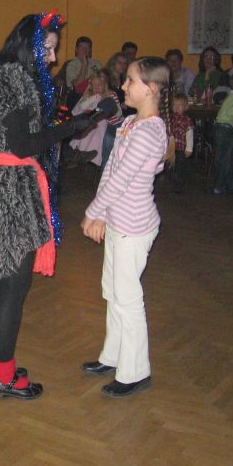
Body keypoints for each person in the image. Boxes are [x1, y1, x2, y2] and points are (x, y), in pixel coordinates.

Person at [0, 11, 111, 402]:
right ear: (30, 46)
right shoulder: (18, 81)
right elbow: (23, 146)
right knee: (12, 285)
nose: (53, 58)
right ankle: (3, 378)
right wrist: (75, 125)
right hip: (9, 193)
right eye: (49, 49)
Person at [80, 57, 169, 399]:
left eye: (131, 81)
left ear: (151, 88)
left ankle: (135, 372)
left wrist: (92, 212)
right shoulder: (132, 122)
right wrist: (102, 214)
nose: (124, 86)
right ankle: (113, 356)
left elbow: (122, 179)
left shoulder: (150, 131)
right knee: (114, 293)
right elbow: (111, 169)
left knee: (128, 299)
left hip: (134, 226)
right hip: (118, 220)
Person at [68, 70, 114, 167]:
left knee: (97, 128)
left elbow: (111, 112)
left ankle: (90, 156)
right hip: (87, 120)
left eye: (99, 85)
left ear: (105, 86)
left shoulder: (107, 98)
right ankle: (79, 153)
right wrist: (91, 100)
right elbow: (78, 109)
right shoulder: (89, 96)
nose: (97, 88)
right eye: (94, 85)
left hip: (99, 122)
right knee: (85, 127)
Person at [167, 92, 193, 193]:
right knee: (169, 167)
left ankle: (178, 186)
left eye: (180, 105)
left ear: (186, 107)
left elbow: (189, 134)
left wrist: (189, 148)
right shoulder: (170, 118)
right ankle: (172, 182)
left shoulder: (187, 120)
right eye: (174, 105)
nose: (177, 108)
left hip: (180, 149)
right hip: (170, 148)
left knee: (179, 168)